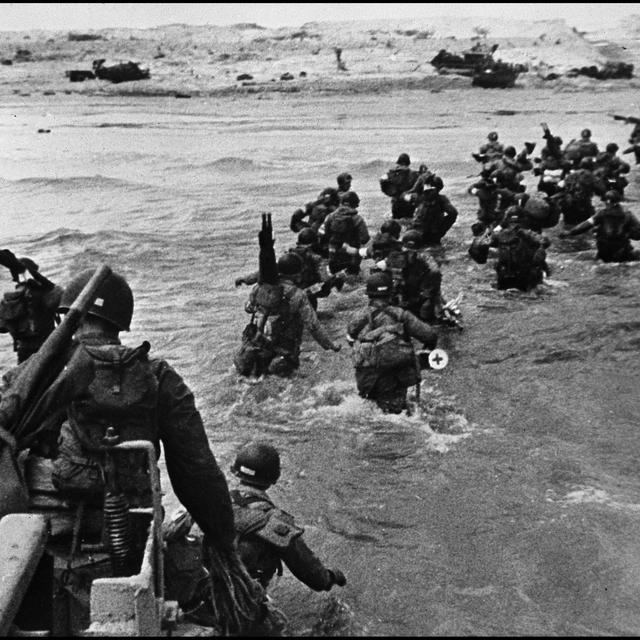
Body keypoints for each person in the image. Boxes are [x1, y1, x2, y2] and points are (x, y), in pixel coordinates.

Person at [6, 268, 247, 631]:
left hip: (34, 555)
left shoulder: (30, 378)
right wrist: (224, 541)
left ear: (65, 316)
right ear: (120, 322)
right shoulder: (157, 376)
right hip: (128, 549)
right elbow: (196, 471)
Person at [229, 441, 346, 593]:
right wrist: (331, 577)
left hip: (198, 590)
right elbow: (311, 574)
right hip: (238, 598)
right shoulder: (273, 520)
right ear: (274, 477)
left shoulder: (209, 501)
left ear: (236, 471)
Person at [234, 250, 341, 378]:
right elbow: (313, 325)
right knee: (283, 376)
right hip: (284, 346)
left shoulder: (260, 287)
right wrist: (330, 345)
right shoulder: (298, 295)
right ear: (296, 275)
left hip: (258, 342)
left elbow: (249, 308)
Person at [347, 271, 438, 414]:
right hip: (394, 378)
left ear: (369, 294)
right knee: (395, 415)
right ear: (390, 293)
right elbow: (430, 335)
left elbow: (351, 341)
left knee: (371, 412)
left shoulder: (357, 318)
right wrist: (426, 351)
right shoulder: (400, 315)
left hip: (366, 379)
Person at [0, 251, 63, 363]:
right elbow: (62, 297)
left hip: (23, 351)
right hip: (47, 347)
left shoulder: (9, 299)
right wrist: (44, 282)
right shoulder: (45, 294)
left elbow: (2, 328)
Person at [471, 207, 551, 291]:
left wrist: (482, 262)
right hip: (526, 278)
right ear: (524, 219)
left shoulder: (498, 235)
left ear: (506, 220)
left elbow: (479, 244)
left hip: (504, 276)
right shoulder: (528, 234)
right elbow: (545, 242)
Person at [559, 190, 640, 262]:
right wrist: (629, 234)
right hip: (622, 251)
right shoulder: (628, 215)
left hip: (604, 251)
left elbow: (585, 225)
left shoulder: (601, 214)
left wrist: (569, 232)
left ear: (608, 201)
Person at [384, 229, 444, 324]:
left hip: (422, 293)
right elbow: (391, 279)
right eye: (407, 251)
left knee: (426, 314)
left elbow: (433, 279)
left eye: (413, 252)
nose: (410, 255)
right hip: (405, 292)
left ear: (419, 251)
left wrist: (428, 298)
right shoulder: (396, 258)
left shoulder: (428, 264)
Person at [322, 190, 371, 275]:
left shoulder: (329, 217)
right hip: (351, 256)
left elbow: (324, 235)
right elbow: (365, 239)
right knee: (352, 278)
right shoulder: (358, 219)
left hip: (333, 254)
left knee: (334, 279)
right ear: (354, 204)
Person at [409, 175, 459, 247]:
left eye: (430, 189)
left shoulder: (441, 200)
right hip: (416, 231)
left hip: (431, 235)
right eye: (426, 188)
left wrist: (441, 230)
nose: (427, 191)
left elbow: (453, 213)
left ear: (437, 189)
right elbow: (405, 197)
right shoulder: (419, 197)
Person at [379, 153, 420, 219]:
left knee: (398, 222)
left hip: (400, 202)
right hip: (405, 202)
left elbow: (384, 183)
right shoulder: (413, 174)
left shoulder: (392, 174)